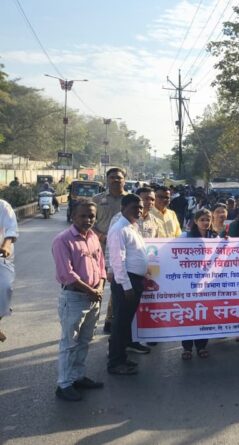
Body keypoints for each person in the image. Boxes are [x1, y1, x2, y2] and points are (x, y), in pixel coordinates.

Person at [51, 201, 106, 401]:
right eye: (83, 216)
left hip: (93, 298)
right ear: (73, 216)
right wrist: (91, 290)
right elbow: (67, 274)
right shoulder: (63, 240)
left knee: (84, 341)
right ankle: (64, 384)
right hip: (74, 298)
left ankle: (77, 377)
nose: (87, 220)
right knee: (69, 343)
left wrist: (99, 287)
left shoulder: (93, 238)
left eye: (91, 216)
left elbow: (101, 266)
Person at [106, 194, 148, 376]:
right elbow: (118, 261)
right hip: (126, 282)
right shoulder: (119, 229)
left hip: (135, 280)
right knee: (120, 323)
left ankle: (121, 357)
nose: (139, 210)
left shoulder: (132, 227)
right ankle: (115, 363)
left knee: (125, 323)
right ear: (123, 208)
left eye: (140, 207)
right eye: (134, 207)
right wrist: (127, 286)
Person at [91, 168, 127, 334]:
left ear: (124, 180)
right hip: (99, 249)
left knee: (118, 285)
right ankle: (91, 321)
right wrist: (101, 236)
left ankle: (110, 319)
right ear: (107, 180)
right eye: (112, 178)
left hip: (122, 251)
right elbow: (89, 222)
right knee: (97, 286)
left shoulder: (130, 200)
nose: (115, 180)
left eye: (119, 178)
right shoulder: (97, 200)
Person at [179, 209, 217, 360]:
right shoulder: (185, 237)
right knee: (188, 314)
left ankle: (202, 346)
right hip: (188, 282)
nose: (205, 223)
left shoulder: (215, 237)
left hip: (207, 283)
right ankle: (187, 347)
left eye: (208, 220)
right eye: (202, 219)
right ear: (195, 221)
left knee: (203, 314)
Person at [0, 198, 17, 343]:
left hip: (1, 256)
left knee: (5, 288)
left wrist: (6, 244)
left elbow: (11, 229)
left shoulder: (3, 206)